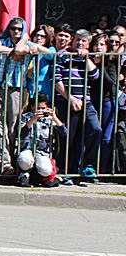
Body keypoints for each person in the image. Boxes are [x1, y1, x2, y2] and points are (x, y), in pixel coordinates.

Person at [0, 17, 45, 179]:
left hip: (16, 90)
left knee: (13, 126)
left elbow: (49, 52)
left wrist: (25, 40)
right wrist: (13, 51)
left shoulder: (27, 44)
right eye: (13, 28)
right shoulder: (3, 41)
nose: (16, 31)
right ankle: (5, 163)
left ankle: (15, 161)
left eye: (20, 29)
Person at [54, 29, 102, 177]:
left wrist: (86, 58)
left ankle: (88, 165)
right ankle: (66, 171)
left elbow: (95, 76)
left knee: (96, 129)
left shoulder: (88, 57)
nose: (80, 43)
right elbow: (56, 78)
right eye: (77, 40)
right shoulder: (62, 55)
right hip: (66, 102)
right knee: (69, 137)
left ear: (88, 44)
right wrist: (70, 98)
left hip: (86, 102)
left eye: (83, 41)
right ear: (73, 41)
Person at [16, 92, 66, 187]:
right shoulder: (25, 116)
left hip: (43, 152)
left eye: (43, 108)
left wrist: (54, 118)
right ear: (32, 107)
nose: (40, 111)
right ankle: (24, 174)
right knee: (24, 160)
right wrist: (32, 120)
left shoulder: (49, 119)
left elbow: (64, 133)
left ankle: (39, 178)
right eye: (38, 108)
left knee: (45, 169)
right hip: (28, 150)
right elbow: (21, 134)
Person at [90, 32, 118, 174]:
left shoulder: (111, 63)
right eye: (96, 44)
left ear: (107, 47)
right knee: (92, 134)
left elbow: (110, 83)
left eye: (102, 44)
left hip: (107, 102)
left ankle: (101, 169)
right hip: (91, 102)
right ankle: (89, 166)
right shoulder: (88, 60)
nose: (98, 47)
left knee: (105, 137)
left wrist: (100, 65)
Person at [26, 25, 57, 98]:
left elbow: (51, 55)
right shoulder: (27, 48)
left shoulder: (51, 49)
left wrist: (36, 46)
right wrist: (31, 45)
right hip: (27, 90)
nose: (39, 38)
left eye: (43, 36)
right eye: (37, 35)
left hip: (43, 91)